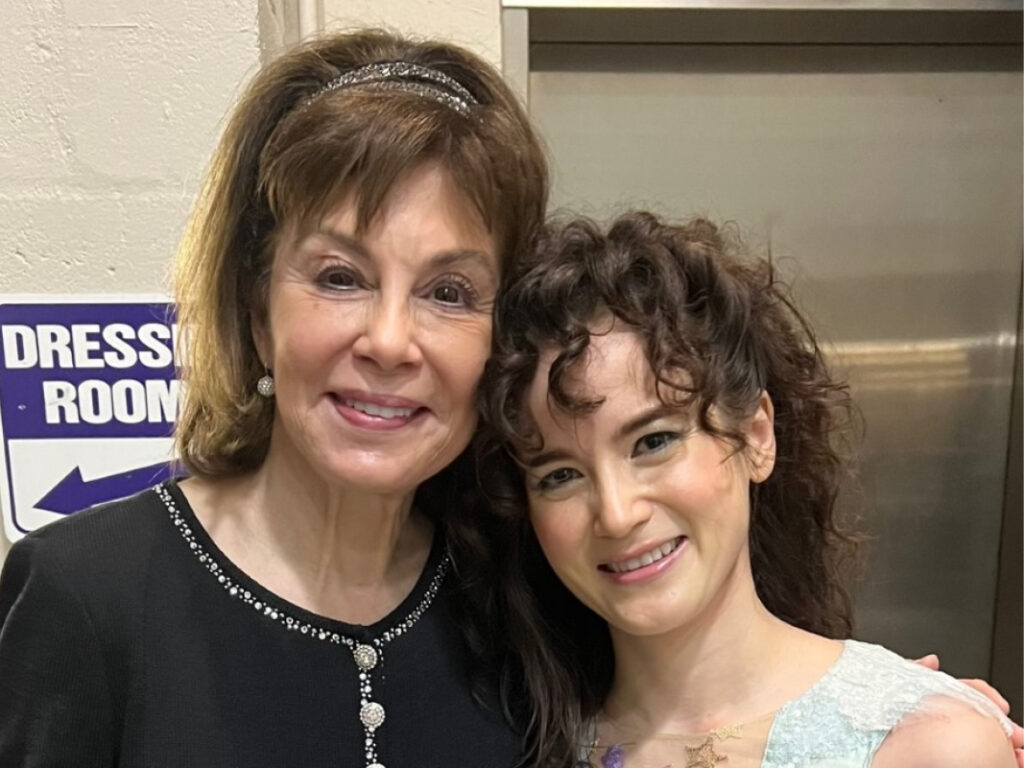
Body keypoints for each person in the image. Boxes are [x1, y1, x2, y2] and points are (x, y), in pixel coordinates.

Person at [0, 29, 546, 767]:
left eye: (449, 293)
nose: (389, 341)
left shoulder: (519, 602)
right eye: (339, 277)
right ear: (257, 311)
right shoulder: (86, 596)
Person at [479, 211, 1018, 768]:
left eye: (654, 441)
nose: (616, 515)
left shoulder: (924, 746)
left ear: (757, 435)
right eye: (560, 476)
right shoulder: (515, 745)